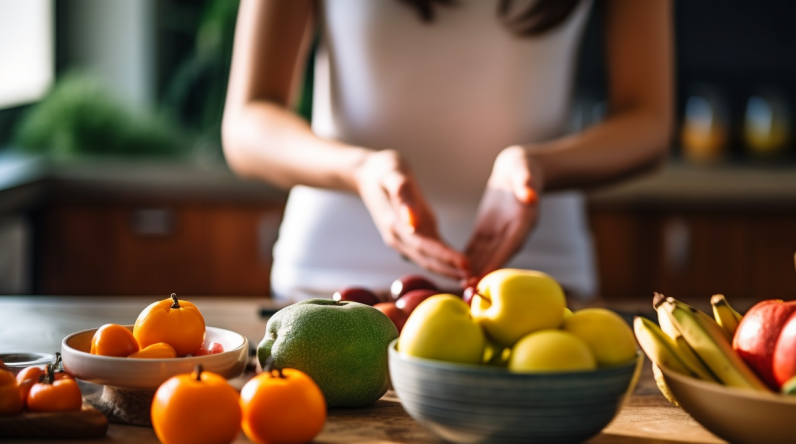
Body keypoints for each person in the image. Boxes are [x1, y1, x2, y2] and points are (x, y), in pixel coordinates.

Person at [222, 0, 672, 301]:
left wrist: (542, 167)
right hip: (332, 281)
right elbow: (246, 123)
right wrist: (358, 169)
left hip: (537, 280)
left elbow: (649, 121)